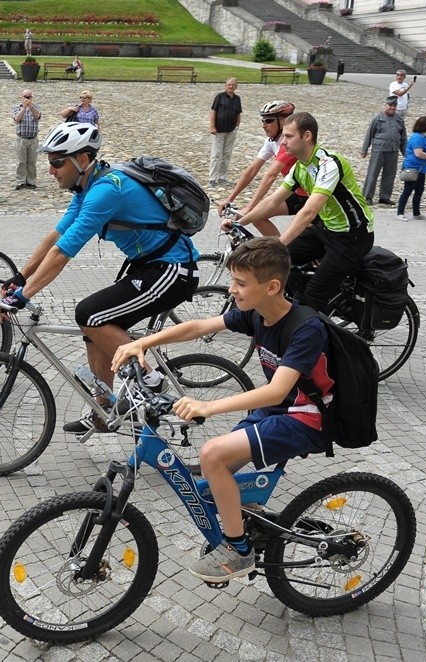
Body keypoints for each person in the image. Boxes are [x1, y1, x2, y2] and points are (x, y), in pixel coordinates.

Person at [111, 236, 331, 583]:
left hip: (310, 417)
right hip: (282, 410)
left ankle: (238, 550)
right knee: (217, 476)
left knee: (212, 455)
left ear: (272, 287)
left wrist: (208, 405)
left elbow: (277, 389)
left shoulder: (306, 328)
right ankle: (249, 516)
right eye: (232, 280)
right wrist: (141, 342)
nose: (232, 290)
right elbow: (200, 327)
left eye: (241, 283)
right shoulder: (255, 314)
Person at [0, 122, 199, 433]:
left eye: (56, 162)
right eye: (49, 162)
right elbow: (56, 236)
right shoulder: (88, 187)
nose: (51, 170)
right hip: (147, 266)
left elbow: (63, 253)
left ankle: (152, 380)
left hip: (173, 270)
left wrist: (24, 295)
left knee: (89, 314)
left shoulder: (105, 191)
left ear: (82, 160)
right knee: (94, 326)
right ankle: (103, 410)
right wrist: (20, 277)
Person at [232, 112, 374, 313]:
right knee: (280, 264)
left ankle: (319, 335)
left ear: (306, 136)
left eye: (289, 136)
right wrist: (242, 220)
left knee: (314, 295)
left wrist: (279, 244)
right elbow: (273, 201)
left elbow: (309, 211)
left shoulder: (329, 164)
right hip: (326, 229)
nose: (283, 142)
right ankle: (297, 307)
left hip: (352, 236)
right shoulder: (300, 166)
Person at [217, 100, 300, 237]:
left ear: (283, 122)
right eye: (262, 121)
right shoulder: (272, 141)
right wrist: (230, 198)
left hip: (312, 195)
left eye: (268, 121)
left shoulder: (289, 145)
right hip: (296, 192)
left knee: (305, 236)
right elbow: (252, 169)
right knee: (257, 216)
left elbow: (270, 175)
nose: (263, 125)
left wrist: (250, 207)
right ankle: (281, 253)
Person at [360, 96, 407, 206]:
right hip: (379, 149)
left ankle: (385, 197)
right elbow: (369, 134)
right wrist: (364, 149)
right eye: (390, 105)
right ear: (385, 105)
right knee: (373, 173)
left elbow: (403, 137)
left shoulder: (399, 120)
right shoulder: (378, 118)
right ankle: (367, 196)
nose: (392, 108)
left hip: (393, 150)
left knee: (390, 174)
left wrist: (406, 152)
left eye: (394, 106)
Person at [396, 116, 426, 222]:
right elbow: (418, 153)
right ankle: (400, 212)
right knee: (407, 190)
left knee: (419, 191)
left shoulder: (424, 137)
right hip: (413, 168)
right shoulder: (417, 137)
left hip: (421, 169)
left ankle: (416, 212)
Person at [209, 77, 242, 188]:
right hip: (219, 130)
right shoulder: (219, 97)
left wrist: (237, 126)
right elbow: (214, 111)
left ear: (236, 86)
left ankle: (222, 177)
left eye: (233, 85)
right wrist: (212, 126)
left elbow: (238, 113)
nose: (231, 87)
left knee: (227, 154)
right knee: (216, 155)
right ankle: (212, 178)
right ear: (225, 85)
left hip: (231, 130)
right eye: (229, 85)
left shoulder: (237, 99)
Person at [13, 88, 42, 190]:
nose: (27, 99)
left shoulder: (36, 107)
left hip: (33, 139)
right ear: (22, 97)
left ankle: (31, 181)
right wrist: (24, 109)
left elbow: (37, 116)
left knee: (32, 161)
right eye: (25, 97)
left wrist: (30, 107)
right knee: (21, 161)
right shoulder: (17, 108)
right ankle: (21, 181)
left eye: (29, 97)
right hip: (21, 139)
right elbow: (17, 119)